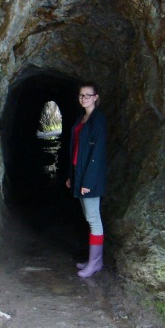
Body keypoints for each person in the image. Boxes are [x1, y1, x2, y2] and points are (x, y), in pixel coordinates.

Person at [66, 81, 107, 277]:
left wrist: (88, 183)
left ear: (96, 97)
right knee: (89, 217)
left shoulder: (98, 120)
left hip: (90, 177)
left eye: (88, 95)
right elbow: (75, 150)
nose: (84, 98)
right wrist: (71, 176)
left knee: (93, 219)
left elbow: (96, 153)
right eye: (81, 95)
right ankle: (92, 260)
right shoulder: (81, 118)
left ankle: (95, 263)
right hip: (79, 172)